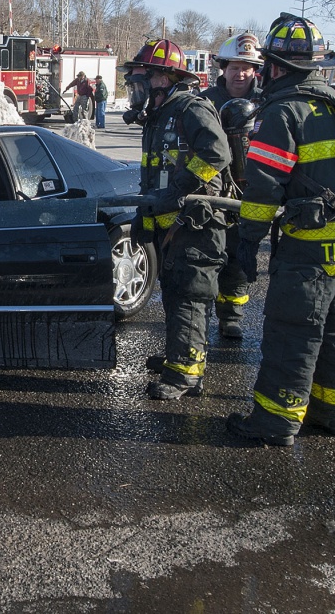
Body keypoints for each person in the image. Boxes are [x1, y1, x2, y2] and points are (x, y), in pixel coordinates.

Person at [228, 14, 335, 446]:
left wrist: (248, 239)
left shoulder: (282, 112)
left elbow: (264, 188)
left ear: (274, 67)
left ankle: (275, 422)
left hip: (311, 248)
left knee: (293, 331)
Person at [122, 38, 231, 400]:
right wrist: (146, 216)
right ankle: (179, 357)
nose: (136, 87)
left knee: (190, 296)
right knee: (174, 294)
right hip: (173, 223)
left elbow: (216, 153)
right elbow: (156, 177)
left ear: (165, 77)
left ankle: (185, 374)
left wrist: (183, 188)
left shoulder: (190, 109)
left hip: (197, 224)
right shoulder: (159, 115)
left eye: (142, 78)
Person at [201, 33, 266, 338]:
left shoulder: (266, 102)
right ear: (223, 69)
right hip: (211, 190)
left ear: (255, 71)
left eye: (247, 67)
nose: (240, 74)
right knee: (206, 254)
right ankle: (197, 317)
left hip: (249, 191)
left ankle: (231, 316)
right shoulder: (205, 102)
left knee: (239, 257)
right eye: (235, 67)